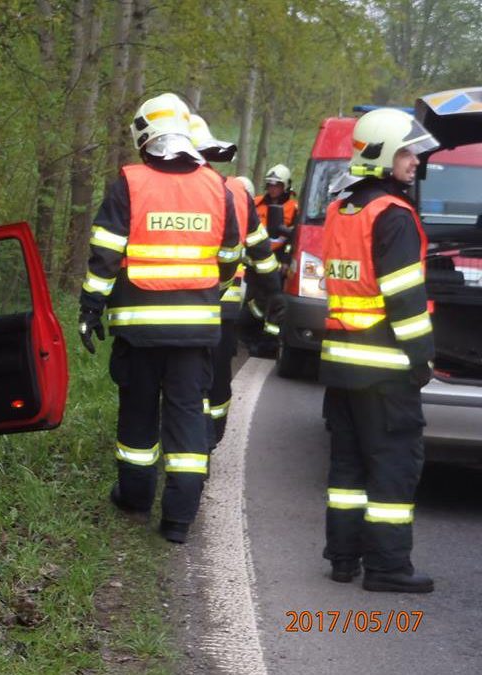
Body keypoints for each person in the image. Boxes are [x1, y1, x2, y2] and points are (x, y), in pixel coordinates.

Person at [78, 93, 241, 543]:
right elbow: (230, 256)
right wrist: (208, 295)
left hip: (139, 329)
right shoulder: (216, 187)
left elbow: (105, 257)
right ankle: (178, 520)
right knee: (187, 417)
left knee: (138, 412)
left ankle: (134, 497)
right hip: (195, 330)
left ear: (144, 136)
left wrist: (90, 308)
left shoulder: (129, 184)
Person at [319, 107, 439, 593]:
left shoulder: (342, 209)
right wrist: (422, 358)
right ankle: (388, 567)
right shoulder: (393, 215)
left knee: (348, 465)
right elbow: (405, 298)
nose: (415, 161)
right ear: (386, 154)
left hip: (342, 363)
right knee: (393, 465)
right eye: (408, 152)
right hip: (386, 367)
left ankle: (343, 558)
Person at [187, 115, 282, 448]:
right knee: (216, 371)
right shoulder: (237, 192)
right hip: (223, 303)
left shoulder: (162, 190)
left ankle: (191, 434)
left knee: (184, 377)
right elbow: (261, 251)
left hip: (174, 304)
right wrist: (275, 292)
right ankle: (210, 435)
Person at [240, 163, 300, 357]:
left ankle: (269, 344)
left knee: (274, 304)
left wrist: (286, 260)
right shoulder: (256, 203)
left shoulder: (294, 209)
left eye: (277, 185)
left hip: (277, 265)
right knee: (252, 303)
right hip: (253, 264)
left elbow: (296, 239)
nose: (273, 188)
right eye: (270, 184)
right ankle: (249, 337)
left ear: (286, 186)